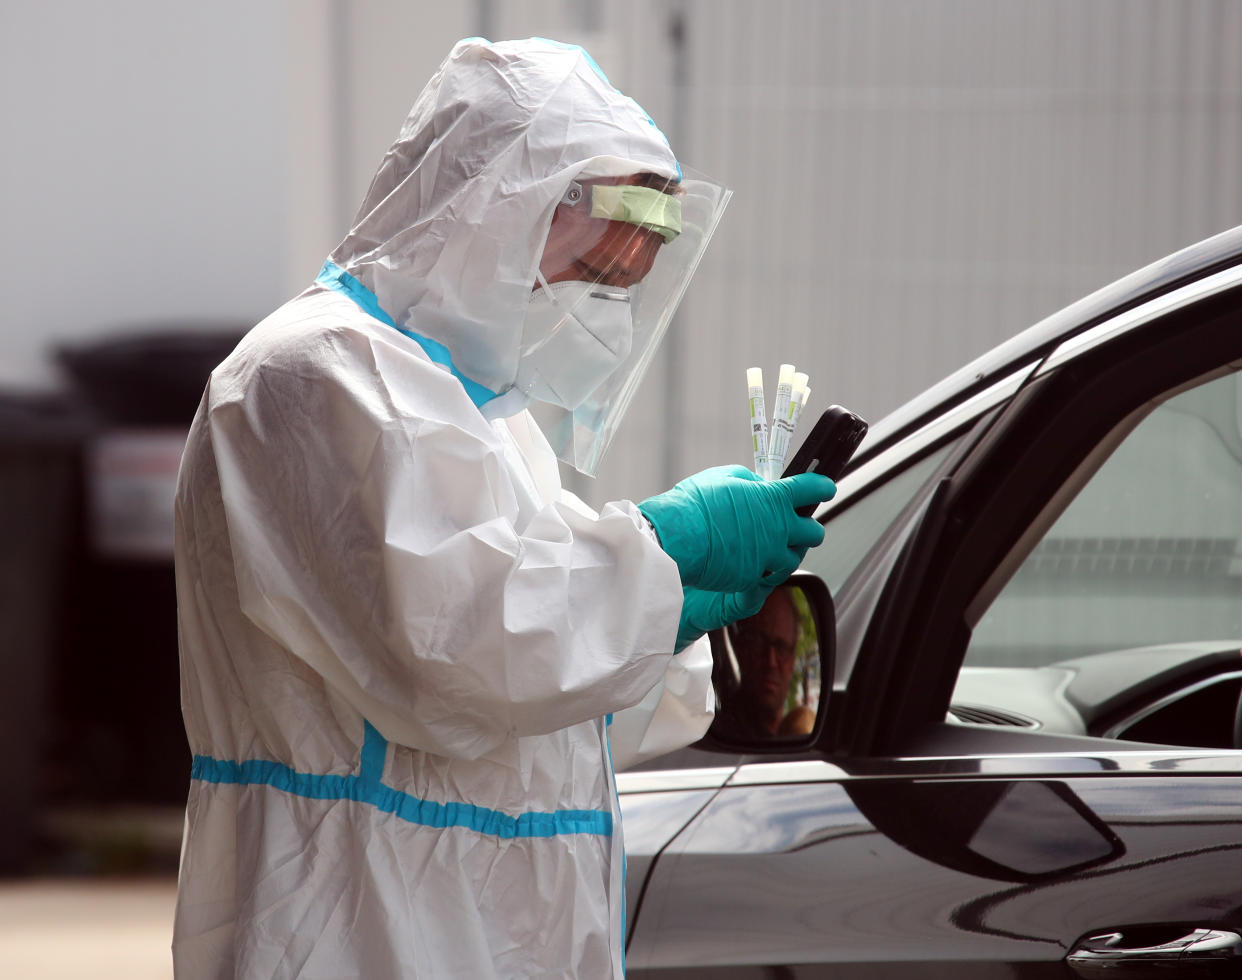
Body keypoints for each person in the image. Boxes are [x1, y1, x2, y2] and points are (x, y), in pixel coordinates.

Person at [171, 37, 835, 978]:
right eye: (597, 259)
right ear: (493, 207)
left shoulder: (475, 412)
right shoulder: (316, 377)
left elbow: (544, 682)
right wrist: (663, 546)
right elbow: (462, 644)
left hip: (491, 918)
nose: (607, 297)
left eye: (633, 271)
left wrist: (673, 607)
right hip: (358, 921)